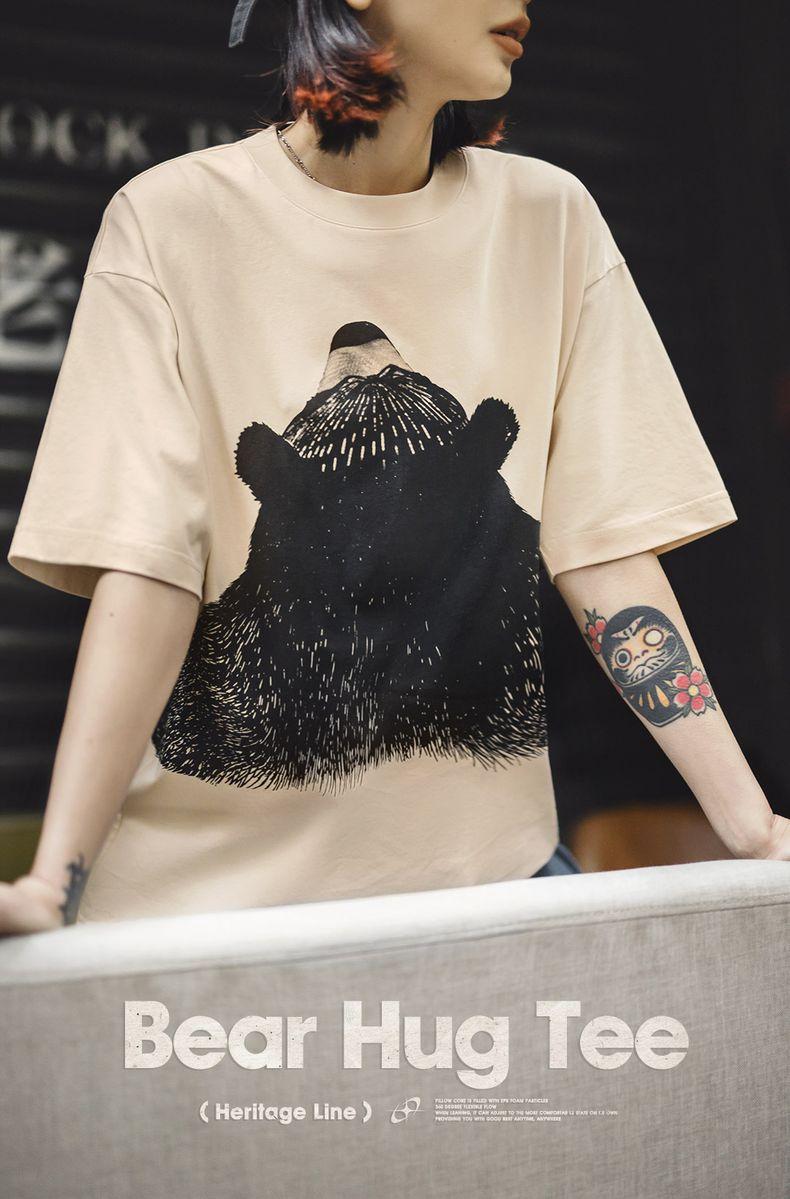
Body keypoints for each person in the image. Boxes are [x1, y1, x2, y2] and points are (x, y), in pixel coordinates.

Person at [2, 0, 787, 936]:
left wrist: (754, 830)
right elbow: (149, 568)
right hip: (213, 921)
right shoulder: (170, 221)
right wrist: (54, 882)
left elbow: (607, 552)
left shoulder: (551, 220)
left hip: (493, 900)